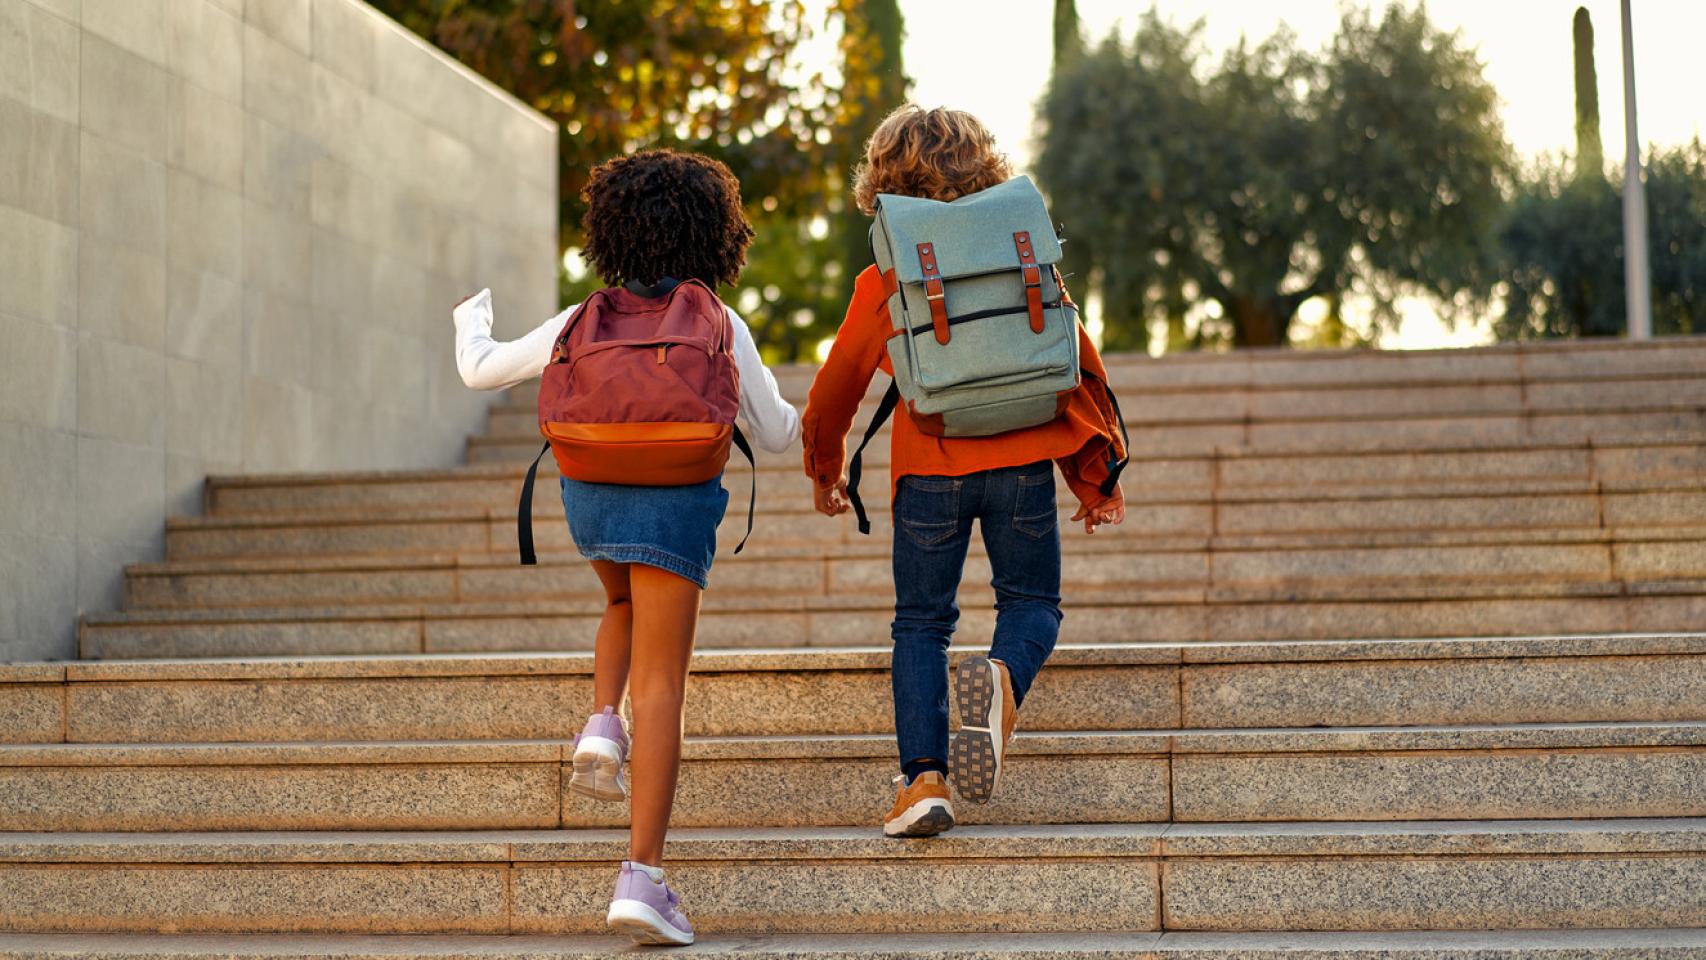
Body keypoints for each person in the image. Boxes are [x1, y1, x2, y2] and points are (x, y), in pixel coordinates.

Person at [453, 149, 800, 945]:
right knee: (666, 688)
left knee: (618, 601)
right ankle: (642, 877)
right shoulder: (716, 317)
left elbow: (481, 371)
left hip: (591, 492)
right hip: (676, 499)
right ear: (717, 236)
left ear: (609, 233)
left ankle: (601, 720)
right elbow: (776, 435)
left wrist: (471, 313)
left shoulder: (585, 317)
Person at [801, 105, 1126, 839]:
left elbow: (834, 388)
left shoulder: (882, 278)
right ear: (984, 167)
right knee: (1033, 604)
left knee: (921, 623)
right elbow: (1076, 360)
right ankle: (1004, 682)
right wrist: (1096, 476)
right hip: (1023, 464)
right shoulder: (1023, 253)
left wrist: (825, 468)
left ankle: (922, 782)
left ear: (882, 179)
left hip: (927, 472)